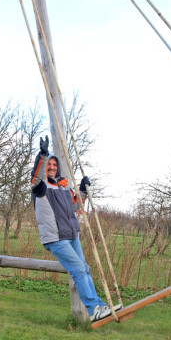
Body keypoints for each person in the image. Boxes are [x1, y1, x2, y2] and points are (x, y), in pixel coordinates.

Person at [30, 135, 122, 321]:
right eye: (49, 166)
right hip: (55, 238)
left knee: (85, 269)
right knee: (78, 270)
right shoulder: (40, 187)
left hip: (71, 235)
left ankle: (99, 307)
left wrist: (82, 190)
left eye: (54, 166)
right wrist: (43, 155)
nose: (52, 168)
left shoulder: (64, 187)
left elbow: (74, 207)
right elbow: (38, 174)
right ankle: (94, 309)